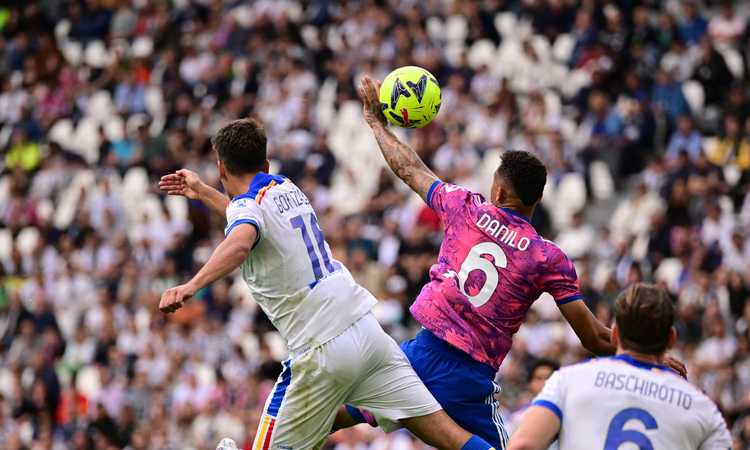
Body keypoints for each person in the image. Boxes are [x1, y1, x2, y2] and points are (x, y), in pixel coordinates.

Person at [335, 76, 686, 448]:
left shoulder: (465, 209)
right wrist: (650, 358)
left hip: (421, 353)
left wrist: (376, 122)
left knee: (339, 412)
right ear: (535, 202)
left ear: (499, 191)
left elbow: (410, 169)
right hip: (470, 377)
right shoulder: (547, 257)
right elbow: (595, 337)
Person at [157, 118, 496, 450]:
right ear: (266, 161)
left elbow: (241, 239)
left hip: (321, 349)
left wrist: (191, 285)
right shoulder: (285, 188)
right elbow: (244, 217)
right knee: (450, 437)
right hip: (368, 334)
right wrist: (203, 192)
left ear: (220, 168)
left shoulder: (248, 209)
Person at [507, 283, 731, 450]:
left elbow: (523, 445)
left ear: (614, 335)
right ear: (671, 339)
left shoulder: (568, 380)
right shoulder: (702, 407)